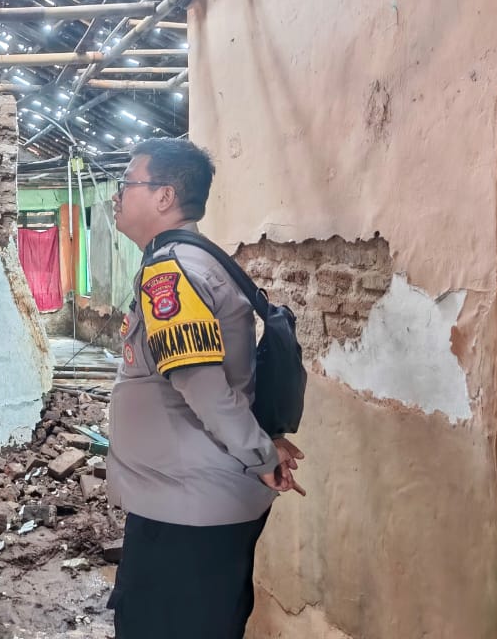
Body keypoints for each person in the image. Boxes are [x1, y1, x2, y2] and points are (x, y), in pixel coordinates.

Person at [105, 138, 304, 638]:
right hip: (186, 501)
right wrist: (261, 449)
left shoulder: (172, 272)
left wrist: (262, 455)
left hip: (186, 512)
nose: (117, 196)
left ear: (164, 196)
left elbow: (204, 386)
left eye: (127, 184)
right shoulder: (195, 261)